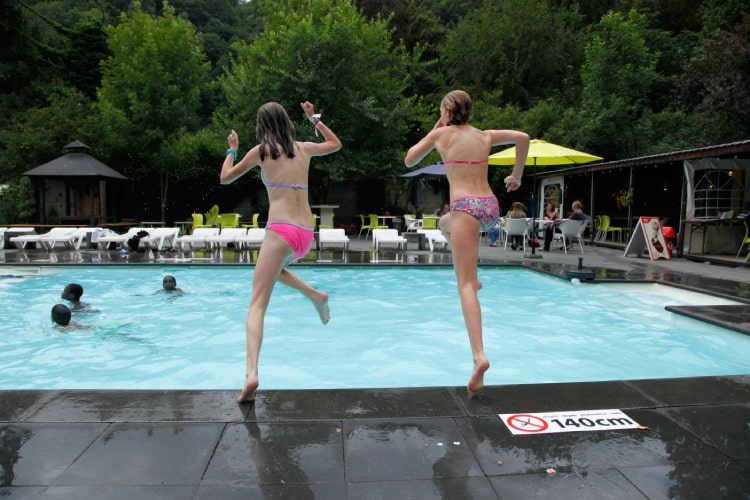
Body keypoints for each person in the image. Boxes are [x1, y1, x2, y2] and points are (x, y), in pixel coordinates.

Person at [404, 89, 529, 397]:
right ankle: (475, 276)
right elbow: (523, 137)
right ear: (469, 112)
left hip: (465, 207)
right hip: (489, 207)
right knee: (445, 224)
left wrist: (435, 129)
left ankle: (479, 357)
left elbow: (409, 160)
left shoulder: (441, 136)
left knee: (464, 286)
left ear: (446, 113)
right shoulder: (485, 136)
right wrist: (516, 176)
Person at [220, 101, 341, 403]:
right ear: (287, 122)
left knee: (257, 304)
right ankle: (315, 295)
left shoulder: (261, 151)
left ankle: (251, 373)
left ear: (262, 126)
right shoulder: (303, 148)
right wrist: (313, 117)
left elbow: (225, 178)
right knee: (271, 271)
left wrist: (232, 149)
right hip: (305, 234)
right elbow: (335, 143)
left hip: (281, 229)